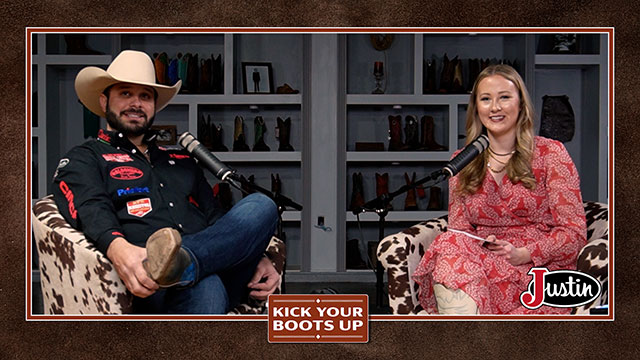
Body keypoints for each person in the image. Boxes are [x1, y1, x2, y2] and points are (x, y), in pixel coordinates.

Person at [51, 50, 280, 314]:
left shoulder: (182, 159)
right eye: (125, 93)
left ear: (154, 106)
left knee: (262, 205)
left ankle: (182, 266)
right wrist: (118, 248)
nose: (136, 103)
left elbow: (216, 218)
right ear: (104, 102)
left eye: (145, 96)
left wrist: (255, 255)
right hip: (146, 284)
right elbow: (90, 206)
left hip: (216, 268)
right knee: (208, 285)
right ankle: (182, 270)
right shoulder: (86, 157)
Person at [412, 64, 587, 314]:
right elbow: (460, 230)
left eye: (504, 97)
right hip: (480, 259)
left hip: (535, 266)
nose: (494, 107)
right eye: (486, 99)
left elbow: (574, 233)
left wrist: (525, 253)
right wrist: (483, 243)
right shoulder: (463, 159)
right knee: (450, 243)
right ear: (477, 108)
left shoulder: (551, 153)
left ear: (521, 104)